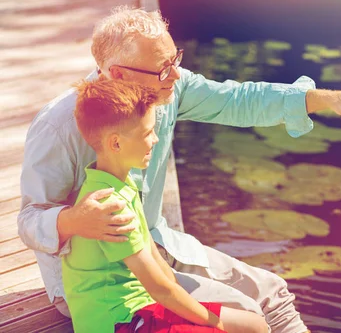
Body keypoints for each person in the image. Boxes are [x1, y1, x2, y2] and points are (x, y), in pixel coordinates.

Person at [18, 6, 341, 333]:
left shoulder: (167, 88)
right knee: (245, 313)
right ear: (117, 74)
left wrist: (324, 99)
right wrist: (75, 220)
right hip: (100, 288)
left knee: (274, 295)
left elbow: (239, 100)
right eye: (163, 70)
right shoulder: (59, 126)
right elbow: (30, 219)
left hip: (156, 245)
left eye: (175, 60)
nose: (175, 77)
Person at [65, 78, 268, 333]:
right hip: (119, 321)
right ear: (116, 144)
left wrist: (197, 311)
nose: (155, 140)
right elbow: (159, 288)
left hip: (141, 307)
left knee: (255, 325)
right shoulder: (110, 206)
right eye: (147, 133)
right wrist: (215, 323)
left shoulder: (122, 183)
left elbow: (157, 263)